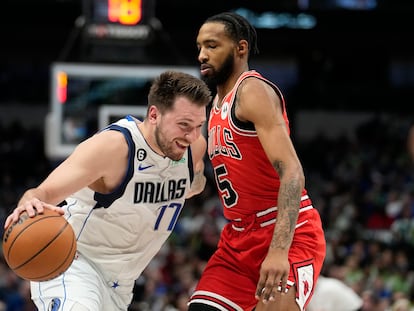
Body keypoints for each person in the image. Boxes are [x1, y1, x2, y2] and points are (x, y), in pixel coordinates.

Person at [3, 70, 212, 311]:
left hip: (121, 285)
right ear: (154, 114)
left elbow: (193, 182)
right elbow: (43, 193)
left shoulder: (194, 147)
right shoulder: (114, 147)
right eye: (184, 125)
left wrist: (194, 185)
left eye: (199, 126)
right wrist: (29, 203)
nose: (192, 135)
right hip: (74, 265)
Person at [188, 12, 326, 311]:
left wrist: (278, 250)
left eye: (212, 45)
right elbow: (206, 180)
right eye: (199, 46)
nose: (202, 55)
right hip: (238, 238)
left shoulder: (252, 91)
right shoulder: (213, 105)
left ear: (240, 48)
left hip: (286, 233)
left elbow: (292, 171)